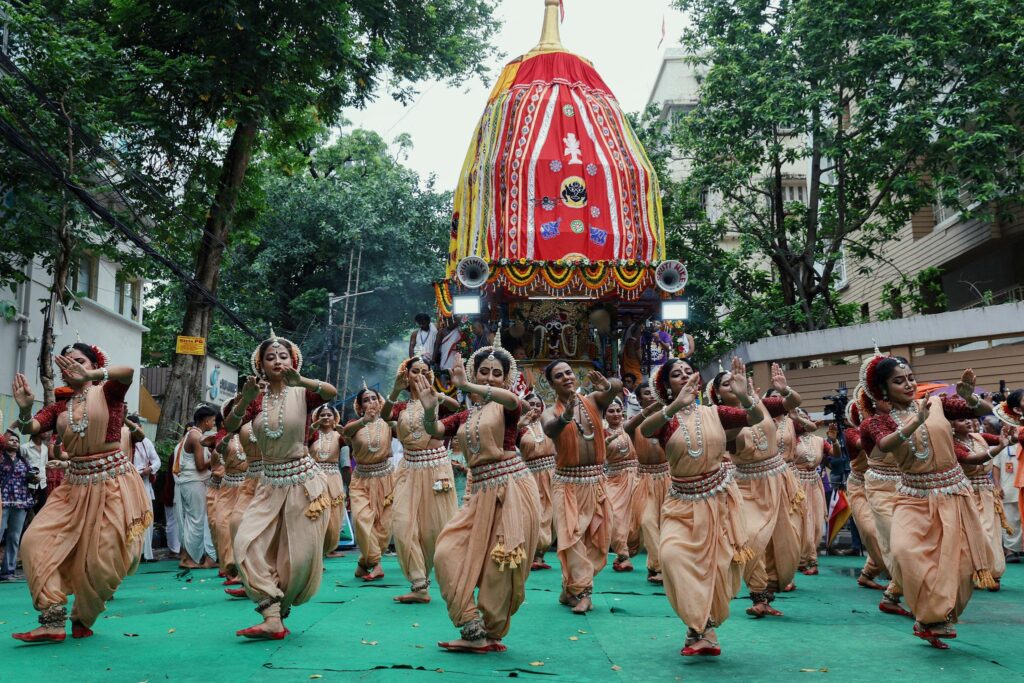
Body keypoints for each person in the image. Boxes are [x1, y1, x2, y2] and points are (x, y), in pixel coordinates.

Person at [11, 342, 150, 642]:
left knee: (103, 560)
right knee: (34, 541)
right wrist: (24, 409)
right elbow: (31, 427)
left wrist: (91, 376)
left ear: (94, 364)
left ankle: (83, 615)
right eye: (66, 364)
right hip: (73, 486)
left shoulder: (109, 393)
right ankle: (52, 618)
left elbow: (127, 372)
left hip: (112, 483)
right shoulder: (60, 405)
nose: (71, 367)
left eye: (79, 361)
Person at [858, 353, 994, 648]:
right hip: (913, 497)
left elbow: (981, 410)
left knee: (960, 566)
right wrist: (914, 422)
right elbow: (884, 443)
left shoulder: (937, 405)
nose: (908, 385)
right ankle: (928, 615)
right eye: (898, 381)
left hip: (953, 494)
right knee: (906, 553)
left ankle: (936, 619)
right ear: (883, 389)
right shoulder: (877, 422)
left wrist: (971, 398)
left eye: (910, 378)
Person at [415, 345, 540, 654]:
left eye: (497, 373)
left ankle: (486, 634)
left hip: (512, 489)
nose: (491, 377)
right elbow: (436, 431)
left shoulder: (506, 406)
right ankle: (472, 624)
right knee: (446, 552)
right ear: (475, 372)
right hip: (480, 492)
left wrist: (467, 386)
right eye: (484, 371)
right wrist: (430, 408)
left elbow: (515, 402)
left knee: (501, 567)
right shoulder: (465, 415)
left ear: (506, 377)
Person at [640, 357, 761, 657]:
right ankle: (700, 626)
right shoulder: (665, 419)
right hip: (681, 503)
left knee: (717, 569)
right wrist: (674, 405)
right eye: (676, 375)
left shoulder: (715, 413)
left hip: (719, 501)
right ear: (667, 386)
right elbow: (644, 430)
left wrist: (745, 394)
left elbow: (755, 417)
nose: (684, 377)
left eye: (687, 372)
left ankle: (702, 630)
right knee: (671, 557)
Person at [221, 332, 338, 640]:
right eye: (270, 357)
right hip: (268, 484)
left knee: (296, 558)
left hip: (302, 482)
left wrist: (302, 381)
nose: (277, 361)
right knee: (246, 542)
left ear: (292, 360)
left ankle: (277, 610)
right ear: (260, 365)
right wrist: (244, 399)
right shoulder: (255, 398)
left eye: (282, 356)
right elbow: (231, 426)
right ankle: (271, 615)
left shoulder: (303, 392)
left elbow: (330, 392)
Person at [706, 362, 802, 617]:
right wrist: (742, 400)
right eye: (727, 383)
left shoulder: (759, 402)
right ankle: (756, 595)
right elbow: (729, 439)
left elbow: (792, 403)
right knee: (751, 539)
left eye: (736, 379)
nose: (734, 383)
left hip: (780, 481)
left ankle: (769, 591)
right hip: (747, 485)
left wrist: (784, 389)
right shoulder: (718, 416)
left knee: (789, 545)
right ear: (717, 393)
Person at [541, 361, 622, 614]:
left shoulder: (594, 401)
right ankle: (584, 592)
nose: (566, 377)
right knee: (572, 538)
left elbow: (615, 389)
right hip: (566, 484)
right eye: (558, 375)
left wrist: (607, 386)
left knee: (594, 541)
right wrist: (565, 417)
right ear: (551, 383)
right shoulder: (549, 411)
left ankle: (569, 590)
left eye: (568, 372)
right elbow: (549, 428)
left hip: (595, 482)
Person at [382, 355, 461, 604]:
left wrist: (435, 395)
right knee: (403, 526)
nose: (420, 375)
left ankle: (450, 580)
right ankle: (418, 585)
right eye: (414, 371)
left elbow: (457, 408)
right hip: (408, 468)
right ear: (406, 376)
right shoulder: (401, 406)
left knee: (434, 530)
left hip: (436, 467)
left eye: (425, 371)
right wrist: (395, 390)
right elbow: (385, 416)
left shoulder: (438, 400)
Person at [341, 389, 394, 582]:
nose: (370, 402)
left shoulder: (389, 424)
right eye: (365, 400)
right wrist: (364, 421)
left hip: (386, 478)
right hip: (361, 480)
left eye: (374, 398)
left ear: (380, 402)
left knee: (383, 527)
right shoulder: (353, 426)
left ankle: (364, 564)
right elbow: (345, 433)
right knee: (362, 520)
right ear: (359, 406)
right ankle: (376, 564)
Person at [951, 417, 1009, 589]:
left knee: (993, 535)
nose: (968, 422)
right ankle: (978, 571)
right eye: (961, 420)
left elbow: (1005, 439)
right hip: (967, 494)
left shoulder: (978, 437)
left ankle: (994, 574)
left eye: (969, 418)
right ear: (952, 425)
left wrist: (1011, 433)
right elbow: (971, 459)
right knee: (978, 535)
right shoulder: (951, 444)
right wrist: (999, 448)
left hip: (988, 494)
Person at [624, 381, 669, 584]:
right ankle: (658, 566)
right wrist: (651, 409)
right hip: (644, 479)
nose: (651, 395)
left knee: (667, 524)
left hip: (668, 478)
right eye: (646, 393)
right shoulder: (635, 423)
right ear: (639, 399)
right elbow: (627, 427)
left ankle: (657, 566)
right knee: (648, 521)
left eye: (653, 393)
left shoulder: (669, 417)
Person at [843, 392, 888, 591]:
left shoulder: (884, 426)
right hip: (859, 486)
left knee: (888, 530)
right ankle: (897, 575)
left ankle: (868, 573)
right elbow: (863, 443)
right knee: (870, 531)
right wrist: (874, 426)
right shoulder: (851, 433)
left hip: (884, 483)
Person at [173, 404, 217, 569]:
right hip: (194, 482)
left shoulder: (191, 434)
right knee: (196, 520)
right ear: (206, 421)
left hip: (189, 482)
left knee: (191, 520)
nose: (213, 424)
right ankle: (189, 559)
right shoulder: (196, 436)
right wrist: (214, 457)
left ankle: (186, 557)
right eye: (213, 421)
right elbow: (200, 465)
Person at [210, 400, 249, 582]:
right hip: (227, 487)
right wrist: (227, 433)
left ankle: (245, 570)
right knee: (222, 526)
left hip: (248, 486)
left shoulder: (250, 432)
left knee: (243, 527)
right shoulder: (222, 436)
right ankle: (230, 566)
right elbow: (215, 445)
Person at [518, 392, 556, 570]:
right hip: (530, 476)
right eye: (530, 404)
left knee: (551, 514)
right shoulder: (519, 427)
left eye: (537, 404)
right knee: (535, 513)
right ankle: (532, 552)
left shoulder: (549, 425)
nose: (534, 407)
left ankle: (540, 555)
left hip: (552, 475)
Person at [791, 412, 833, 576]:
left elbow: (834, 455)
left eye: (805, 416)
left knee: (816, 525)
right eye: (799, 416)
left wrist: (834, 441)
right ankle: (806, 561)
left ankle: (805, 560)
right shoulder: (792, 439)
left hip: (815, 484)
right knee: (803, 523)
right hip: (796, 484)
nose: (803, 419)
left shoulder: (819, 441)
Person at [604, 397, 641, 572]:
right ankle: (623, 555)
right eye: (611, 411)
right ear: (605, 414)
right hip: (614, 479)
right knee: (615, 516)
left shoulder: (631, 427)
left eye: (618, 410)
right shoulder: (601, 432)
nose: (616, 414)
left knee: (637, 519)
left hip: (637, 477)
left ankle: (627, 553)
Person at [310, 404, 346, 558]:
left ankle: (327, 549)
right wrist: (312, 427)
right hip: (314, 477)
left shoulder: (340, 436)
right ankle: (314, 553)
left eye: (328, 415)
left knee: (333, 517)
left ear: (334, 418)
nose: (325, 417)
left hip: (334, 479)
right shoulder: (312, 435)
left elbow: (348, 456)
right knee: (316, 515)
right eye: (322, 415)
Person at [1, 431, 34, 581]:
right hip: (3, 500)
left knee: (14, 537)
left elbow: (30, 481)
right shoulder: (1, 458)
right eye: (11, 440)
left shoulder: (24, 461)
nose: (14, 442)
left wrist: (34, 477)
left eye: (16, 440)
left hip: (20, 501)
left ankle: (8, 571)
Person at [127, 415, 160, 561]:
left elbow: (156, 461)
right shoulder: (124, 442)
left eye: (137, 427)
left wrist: (150, 469)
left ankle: (146, 554)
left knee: (147, 517)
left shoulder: (146, 442)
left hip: (144, 482)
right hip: (128, 484)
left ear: (141, 427)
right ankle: (132, 554)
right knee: (131, 518)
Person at [990, 416, 1022, 561]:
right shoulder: (1000, 443)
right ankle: (1009, 551)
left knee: (1022, 520)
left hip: (1021, 487)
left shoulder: (1021, 440)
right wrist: (997, 486)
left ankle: (1020, 548)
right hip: (1007, 489)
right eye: (1005, 423)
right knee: (1009, 520)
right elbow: (995, 467)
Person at [19, 430, 48, 517]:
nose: (46, 433)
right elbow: (19, 466)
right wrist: (29, 476)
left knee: (41, 511)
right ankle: (22, 529)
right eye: (44, 431)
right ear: (36, 432)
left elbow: (44, 465)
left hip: (42, 484)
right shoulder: (24, 447)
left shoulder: (45, 448)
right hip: (28, 484)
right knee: (24, 511)